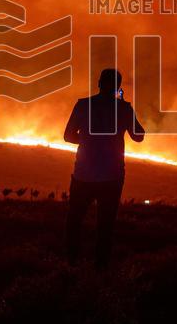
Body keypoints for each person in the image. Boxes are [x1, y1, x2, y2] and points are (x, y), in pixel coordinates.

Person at [62, 68, 145, 269]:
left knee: (74, 222)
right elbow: (139, 136)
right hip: (112, 175)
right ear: (118, 87)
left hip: (84, 173)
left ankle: (70, 265)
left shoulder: (83, 105)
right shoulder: (124, 109)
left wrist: (89, 139)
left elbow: (67, 136)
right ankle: (100, 270)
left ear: (99, 83)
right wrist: (123, 106)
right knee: (105, 226)